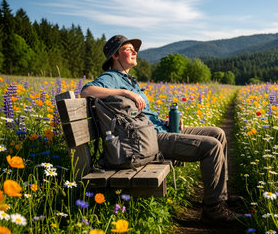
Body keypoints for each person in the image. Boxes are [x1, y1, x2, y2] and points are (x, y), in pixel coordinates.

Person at [80, 35, 242, 225]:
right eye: (128, 49)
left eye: (135, 49)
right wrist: (125, 92)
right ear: (115, 56)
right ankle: (213, 209)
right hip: (149, 140)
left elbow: (142, 114)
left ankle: (219, 195)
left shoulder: (129, 79)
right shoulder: (111, 77)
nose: (134, 51)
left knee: (218, 133)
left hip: (155, 129)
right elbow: (86, 91)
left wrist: (165, 121)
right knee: (211, 146)